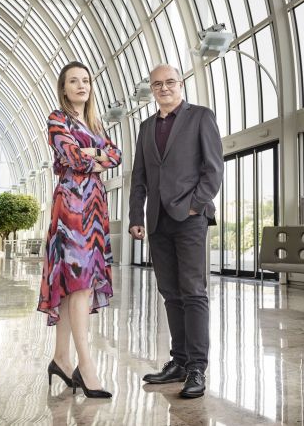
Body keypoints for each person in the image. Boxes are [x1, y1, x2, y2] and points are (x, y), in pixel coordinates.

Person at [129, 64, 223, 398]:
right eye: (157, 84)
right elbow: (138, 176)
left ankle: (197, 367)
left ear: (180, 84)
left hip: (190, 219)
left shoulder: (200, 116)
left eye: (170, 82)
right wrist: (135, 216)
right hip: (157, 221)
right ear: (152, 89)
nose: (164, 88)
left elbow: (213, 170)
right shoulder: (145, 128)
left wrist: (195, 206)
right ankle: (179, 361)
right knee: (170, 293)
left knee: (193, 292)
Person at [37, 61, 121, 399]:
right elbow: (72, 158)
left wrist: (93, 152)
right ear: (64, 87)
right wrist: (93, 155)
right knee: (81, 285)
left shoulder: (95, 122)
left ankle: (60, 357)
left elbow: (116, 156)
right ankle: (86, 366)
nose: (81, 86)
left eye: (86, 80)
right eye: (74, 81)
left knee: (76, 287)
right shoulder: (57, 119)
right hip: (71, 206)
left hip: (95, 208)